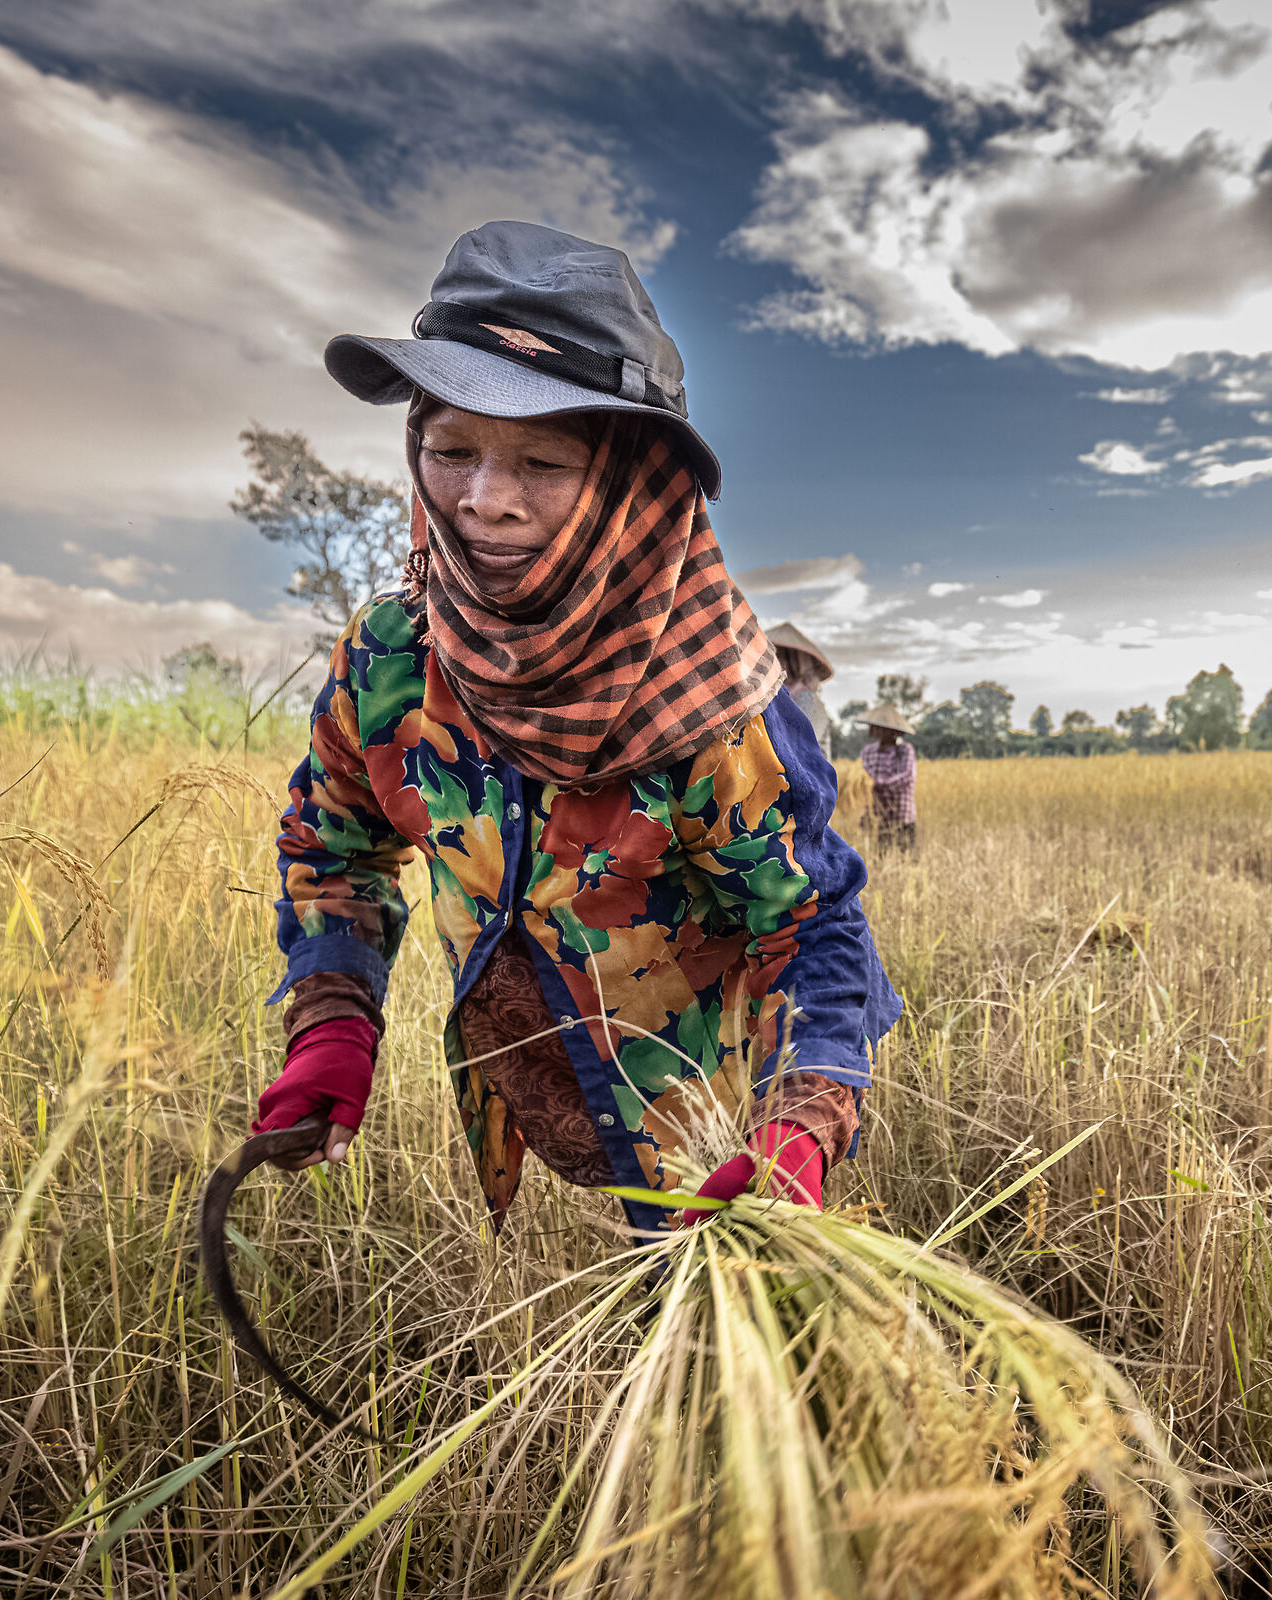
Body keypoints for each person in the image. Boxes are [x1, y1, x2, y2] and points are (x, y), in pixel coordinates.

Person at [251, 221, 899, 1237]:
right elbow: (334, 840)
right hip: (547, 1072)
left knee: (715, 1344)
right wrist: (332, 1014)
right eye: (452, 448)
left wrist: (802, 1123)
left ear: (627, 482)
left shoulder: (719, 707)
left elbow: (808, 923)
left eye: (542, 461)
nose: (485, 501)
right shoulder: (389, 658)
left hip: (711, 1108)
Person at [766, 620, 837, 759]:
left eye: (778, 655)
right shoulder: (776, 697)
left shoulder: (807, 699)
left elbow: (798, 744)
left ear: (795, 662)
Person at [859, 704, 918, 853]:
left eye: (881, 727)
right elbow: (863, 777)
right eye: (875, 727)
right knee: (880, 855)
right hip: (878, 814)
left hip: (901, 812)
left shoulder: (904, 750)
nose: (876, 730)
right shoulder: (868, 751)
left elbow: (907, 776)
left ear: (893, 731)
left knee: (906, 856)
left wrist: (878, 783)